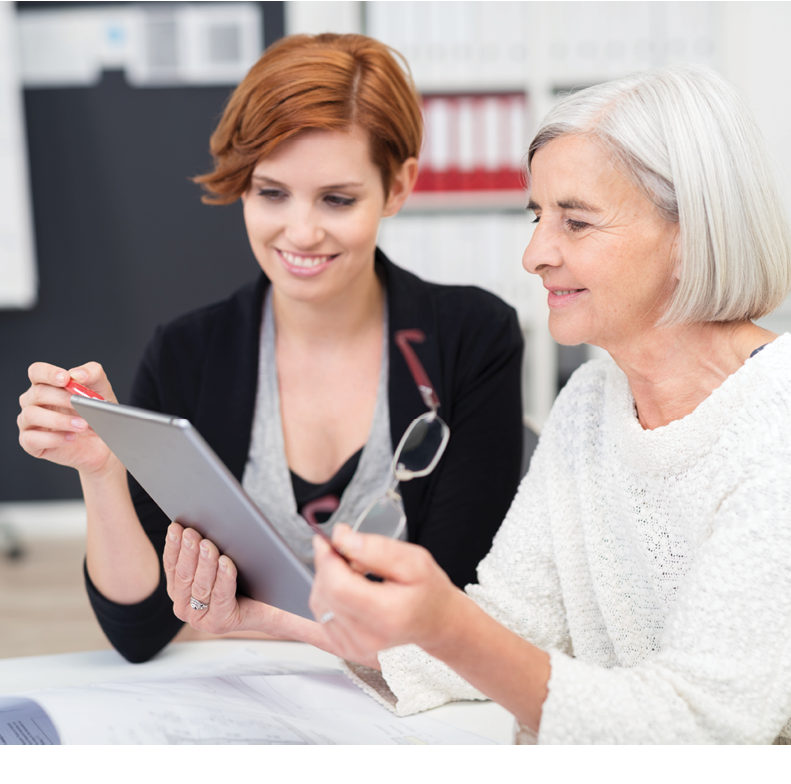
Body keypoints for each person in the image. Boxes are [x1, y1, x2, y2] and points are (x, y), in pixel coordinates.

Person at [157, 63, 791, 744]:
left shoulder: (773, 421)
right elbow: (511, 625)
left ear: (690, 233)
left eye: (574, 222)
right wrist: (263, 618)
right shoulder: (590, 401)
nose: (534, 254)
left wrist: (445, 623)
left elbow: (702, 728)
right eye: (536, 216)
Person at [16, 34, 523, 664]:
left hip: (414, 717)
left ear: (397, 187)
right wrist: (102, 471)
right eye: (272, 193)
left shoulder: (473, 337)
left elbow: (452, 613)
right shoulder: (186, 354)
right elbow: (139, 630)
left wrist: (259, 621)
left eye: (337, 199)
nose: (301, 232)